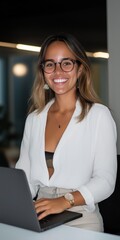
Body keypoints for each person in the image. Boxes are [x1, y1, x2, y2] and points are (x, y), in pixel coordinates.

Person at [15, 33, 117, 232]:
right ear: (43, 71)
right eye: (50, 64)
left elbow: (105, 181)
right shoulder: (34, 119)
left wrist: (65, 200)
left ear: (79, 69)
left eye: (66, 63)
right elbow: (24, 177)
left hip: (81, 215)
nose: (58, 71)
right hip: (40, 213)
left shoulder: (99, 116)